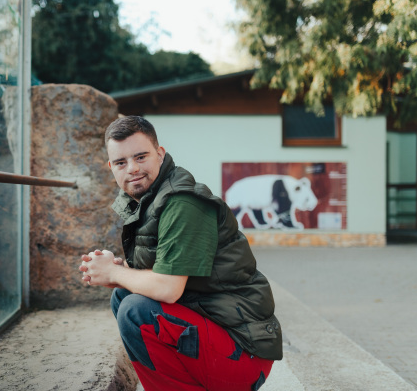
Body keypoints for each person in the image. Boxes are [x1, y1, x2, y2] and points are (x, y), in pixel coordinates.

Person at [79, 116, 282, 391]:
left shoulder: (182, 202)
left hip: (243, 353)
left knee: (134, 310)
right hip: (218, 333)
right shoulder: (151, 200)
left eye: (141, 157)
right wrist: (118, 273)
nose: (133, 169)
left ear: (160, 154)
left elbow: (169, 288)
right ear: (111, 167)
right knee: (123, 296)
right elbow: (163, 273)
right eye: (121, 162)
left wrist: (116, 271)